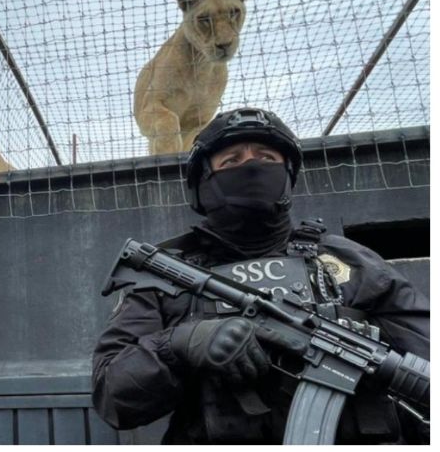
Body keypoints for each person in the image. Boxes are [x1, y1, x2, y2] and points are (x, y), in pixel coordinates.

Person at [91, 108, 429, 444]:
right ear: (201, 185)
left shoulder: (350, 262)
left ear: (287, 175)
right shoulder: (168, 278)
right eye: (231, 161)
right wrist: (179, 344)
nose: (251, 167)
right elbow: (113, 398)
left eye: (267, 157)